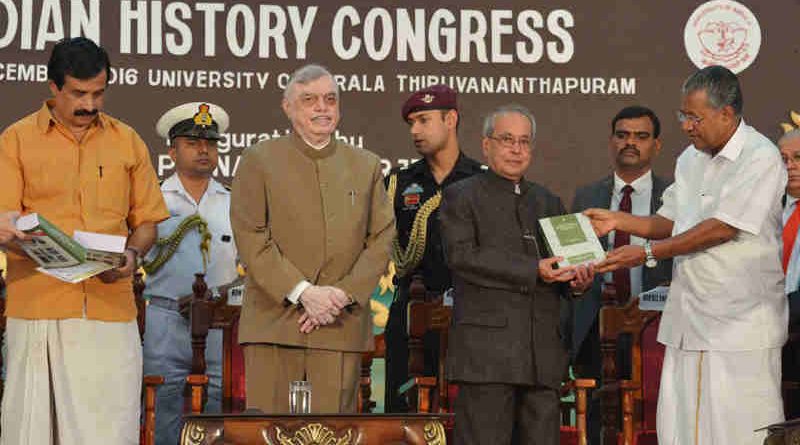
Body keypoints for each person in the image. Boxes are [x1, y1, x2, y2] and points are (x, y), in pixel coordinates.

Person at [586, 65, 787, 444]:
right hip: (689, 319)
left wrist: (645, 252)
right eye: (683, 116)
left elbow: (722, 228)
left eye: (695, 117)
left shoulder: (759, 157)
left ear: (726, 114)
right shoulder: (690, 159)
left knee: (739, 430)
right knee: (682, 429)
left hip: (739, 325)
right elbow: (670, 220)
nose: (686, 126)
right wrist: (618, 220)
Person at [0, 37, 168, 444]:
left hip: (110, 310)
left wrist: (131, 254)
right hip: (39, 305)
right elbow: (4, 221)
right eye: (78, 93)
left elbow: (147, 222)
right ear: (53, 87)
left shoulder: (127, 140)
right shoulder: (16, 140)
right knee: (34, 431)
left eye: (98, 93)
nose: (89, 105)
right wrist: (17, 237)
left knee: (109, 431)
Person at [230, 64, 394, 414]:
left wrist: (340, 295)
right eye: (309, 100)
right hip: (275, 323)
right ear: (288, 107)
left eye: (330, 99)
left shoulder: (365, 165)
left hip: (339, 324)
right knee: (270, 434)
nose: (322, 108)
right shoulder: (259, 160)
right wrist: (303, 293)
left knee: (334, 433)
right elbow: (251, 235)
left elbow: (381, 239)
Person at [440, 104, 594, 444]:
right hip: (487, 359)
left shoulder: (547, 200)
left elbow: (565, 264)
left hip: (543, 358)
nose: (516, 149)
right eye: (507, 139)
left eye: (524, 142)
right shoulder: (460, 196)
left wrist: (578, 282)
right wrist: (532, 269)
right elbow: (462, 256)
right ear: (486, 145)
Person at [569, 105, 672, 442]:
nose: (631, 142)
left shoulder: (673, 196)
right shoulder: (586, 196)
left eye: (641, 136)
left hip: (658, 332)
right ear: (611, 142)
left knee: (656, 420)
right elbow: (574, 263)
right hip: (595, 331)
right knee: (598, 425)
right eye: (622, 135)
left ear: (656, 145)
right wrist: (578, 283)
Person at [141, 102, 241, 445]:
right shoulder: (152, 198)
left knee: (219, 403)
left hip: (218, 322)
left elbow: (250, 265)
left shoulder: (234, 200)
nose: (204, 150)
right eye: (193, 143)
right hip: (165, 318)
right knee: (163, 403)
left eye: (210, 144)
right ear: (171, 151)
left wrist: (225, 301)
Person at [383, 84, 485, 412]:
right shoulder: (398, 183)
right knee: (403, 417)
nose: (415, 131)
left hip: (469, 315)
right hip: (410, 315)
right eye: (411, 123)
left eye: (424, 120)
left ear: (451, 119)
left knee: (467, 418)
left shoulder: (483, 181)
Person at [779, 128, 800, 418]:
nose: (790, 165)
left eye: (798, 158)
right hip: (766, 338)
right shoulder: (765, 211)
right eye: (782, 159)